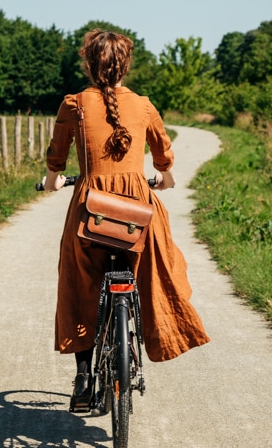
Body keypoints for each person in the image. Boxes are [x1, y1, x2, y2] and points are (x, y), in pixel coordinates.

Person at [42, 28, 210, 412]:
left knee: (79, 283)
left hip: (91, 209)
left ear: (89, 64)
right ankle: (155, 332)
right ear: (125, 66)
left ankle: (83, 376)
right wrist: (164, 178)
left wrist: (53, 180)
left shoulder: (73, 103)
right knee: (157, 272)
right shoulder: (145, 106)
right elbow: (164, 156)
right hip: (137, 209)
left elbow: (57, 156)